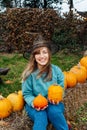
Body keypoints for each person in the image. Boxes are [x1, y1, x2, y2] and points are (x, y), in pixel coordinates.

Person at [22, 35, 68, 130]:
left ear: (49, 54)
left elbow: (61, 87)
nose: (42, 56)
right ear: (34, 56)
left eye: (44, 52)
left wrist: (58, 97)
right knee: (41, 116)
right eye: (38, 53)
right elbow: (26, 94)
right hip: (36, 103)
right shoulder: (29, 74)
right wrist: (33, 103)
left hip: (53, 102)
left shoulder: (56, 70)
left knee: (54, 112)